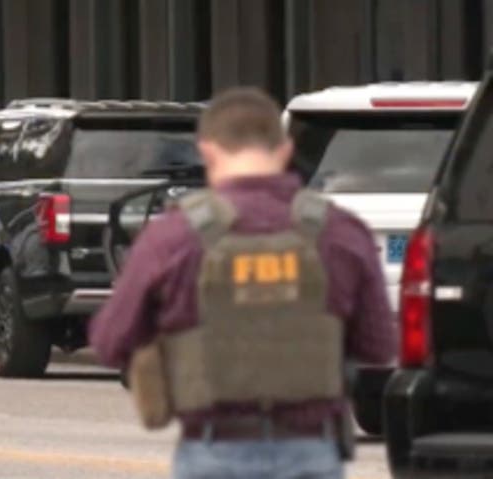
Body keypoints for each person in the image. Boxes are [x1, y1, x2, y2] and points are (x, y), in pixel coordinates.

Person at [89, 87, 397, 479]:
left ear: (207, 150)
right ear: (285, 151)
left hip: (214, 452)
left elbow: (110, 340)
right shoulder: (339, 232)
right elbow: (378, 345)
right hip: (310, 452)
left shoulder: (174, 236)